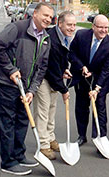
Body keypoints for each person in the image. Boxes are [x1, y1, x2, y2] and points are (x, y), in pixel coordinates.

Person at [0, 2, 53, 175]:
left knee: (22, 120)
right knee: (8, 121)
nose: (48, 19)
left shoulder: (46, 38)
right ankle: (8, 162)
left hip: (26, 86)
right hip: (7, 83)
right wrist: (11, 70)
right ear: (35, 14)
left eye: (50, 17)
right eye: (45, 15)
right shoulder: (17, 28)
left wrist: (31, 91)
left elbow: (42, 68)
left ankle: (19, 155)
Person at [33, 11, 76, 160]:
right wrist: (63, 89)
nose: (72, 28)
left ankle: (50, 138)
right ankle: (43, 145)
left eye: (74, 25)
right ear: (60, 23)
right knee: (43, 112)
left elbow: (61, 59)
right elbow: (50, 68)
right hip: (43, 78)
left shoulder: (64, 37)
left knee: (51, 110)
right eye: (69, 25)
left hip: (53, 77)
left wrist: (64, 70)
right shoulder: (51, 40)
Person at [69, 14, 109, 146]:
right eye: (100, 27)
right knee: (81, 107)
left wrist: (97, 88)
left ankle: (99, 137)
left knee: (100, 107)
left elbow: (107, 70)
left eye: (106, 27)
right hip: (82, 77)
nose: (104, 30)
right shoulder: (81, 35)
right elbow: (71, 53)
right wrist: (81, 67)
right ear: (93, 27)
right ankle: (81, 135)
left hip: (99, 79)